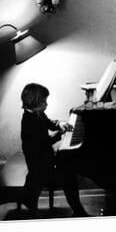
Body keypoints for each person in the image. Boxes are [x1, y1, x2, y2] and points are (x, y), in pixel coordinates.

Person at [20, 83, 89, 217]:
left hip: (43, 161)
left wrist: (59, 124)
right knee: (69, 177)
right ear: (34, 101)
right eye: (44, 101)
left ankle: (78, 210)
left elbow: (49, 123)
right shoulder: (29, 121)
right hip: (39, 169)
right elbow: (43, 144)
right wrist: (60, 135)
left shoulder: (37, 114)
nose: (46, 104)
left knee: (68, 168)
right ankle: (78, 211)